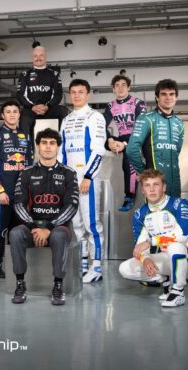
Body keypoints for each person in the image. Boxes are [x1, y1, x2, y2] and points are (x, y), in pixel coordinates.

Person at [10, 128, 79, 305]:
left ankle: (58, 285)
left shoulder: (69, 173)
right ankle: (20, 283)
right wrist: (34, 227)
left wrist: (48, 228)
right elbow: (18, 204)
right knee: (15, 233)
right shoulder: (26, 172)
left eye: (52, 143)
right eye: (44, 143)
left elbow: (71, 206)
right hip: (32, 225)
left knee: (59, 235)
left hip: (58, 227)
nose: (48, 147)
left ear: (58, 147)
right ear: (38, 146)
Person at [118, 169, 188, 308]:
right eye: (147, 185)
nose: (152, 189)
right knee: (125, 268)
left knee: (174, 245)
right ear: (143, 190)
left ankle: (178, 292)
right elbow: (139, 245)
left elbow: (182, 234)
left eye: (156, 184)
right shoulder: (140, 214)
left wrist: (152, 241)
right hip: (166, 259)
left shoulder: (179, 204)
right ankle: (166, 282)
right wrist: (145, 259)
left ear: (164, 187)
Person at [59, 79, 107, 283]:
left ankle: (97, 268)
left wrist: (88, 176)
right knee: (77, 226)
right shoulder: (66, 119)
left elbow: (99, 150)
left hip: (88, 180)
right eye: (73, 92)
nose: (77, 95)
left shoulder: (95, 117)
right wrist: (62, 178)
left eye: (81, 92)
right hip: (70, 181)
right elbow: (61, 152)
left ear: (88, 94)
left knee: (92, 225)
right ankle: (84, 264)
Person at [0, 101, 32, 279]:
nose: (12, 114)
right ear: (3, 116)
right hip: (3, 193)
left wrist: (29, 191)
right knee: (1, 229)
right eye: (8, 112)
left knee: (18, 230)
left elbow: (29, 165)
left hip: (21, 194)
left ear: (19, 114)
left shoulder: (25, 136)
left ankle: (17, 265)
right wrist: (0, 190)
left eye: (15, 111)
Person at [126, 79, 184, 197]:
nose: (168, 98)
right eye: (164, 94)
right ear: (157, 97)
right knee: (156, 210)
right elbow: (131, 149)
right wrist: (143, 172)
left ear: (176, 97)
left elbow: (176, 152)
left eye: (172, 94)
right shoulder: (146, 119)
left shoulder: (179, 123)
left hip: (175, 182)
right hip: (154, 183)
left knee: (175, 209)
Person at [104, 75, 147, 211]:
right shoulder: (110, 105)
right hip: (121, 138)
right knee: (102, 140)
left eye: (123, 85)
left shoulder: (138, 103)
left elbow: (142, 127)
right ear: (113, 89)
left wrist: (125, 145)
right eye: (117, 85)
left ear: (129, 88)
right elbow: (101, 126)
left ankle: (129, 195)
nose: (120, 88)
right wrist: (110, 140)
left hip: (138, 137)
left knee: (128, 157)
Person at [16, 46, 69, 136]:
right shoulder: (25, 75)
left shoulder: (54, 74)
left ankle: (62, 140)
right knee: (23, 116)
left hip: (49, 109)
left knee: (63, 110)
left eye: (41, 55)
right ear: (32, 58)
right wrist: (32, 107)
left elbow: (58, 94)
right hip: (31, 110)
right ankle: (24, 144)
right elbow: (20, 94)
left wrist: (48, 106)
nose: (38, 58)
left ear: (45, 57)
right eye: (35, 56)